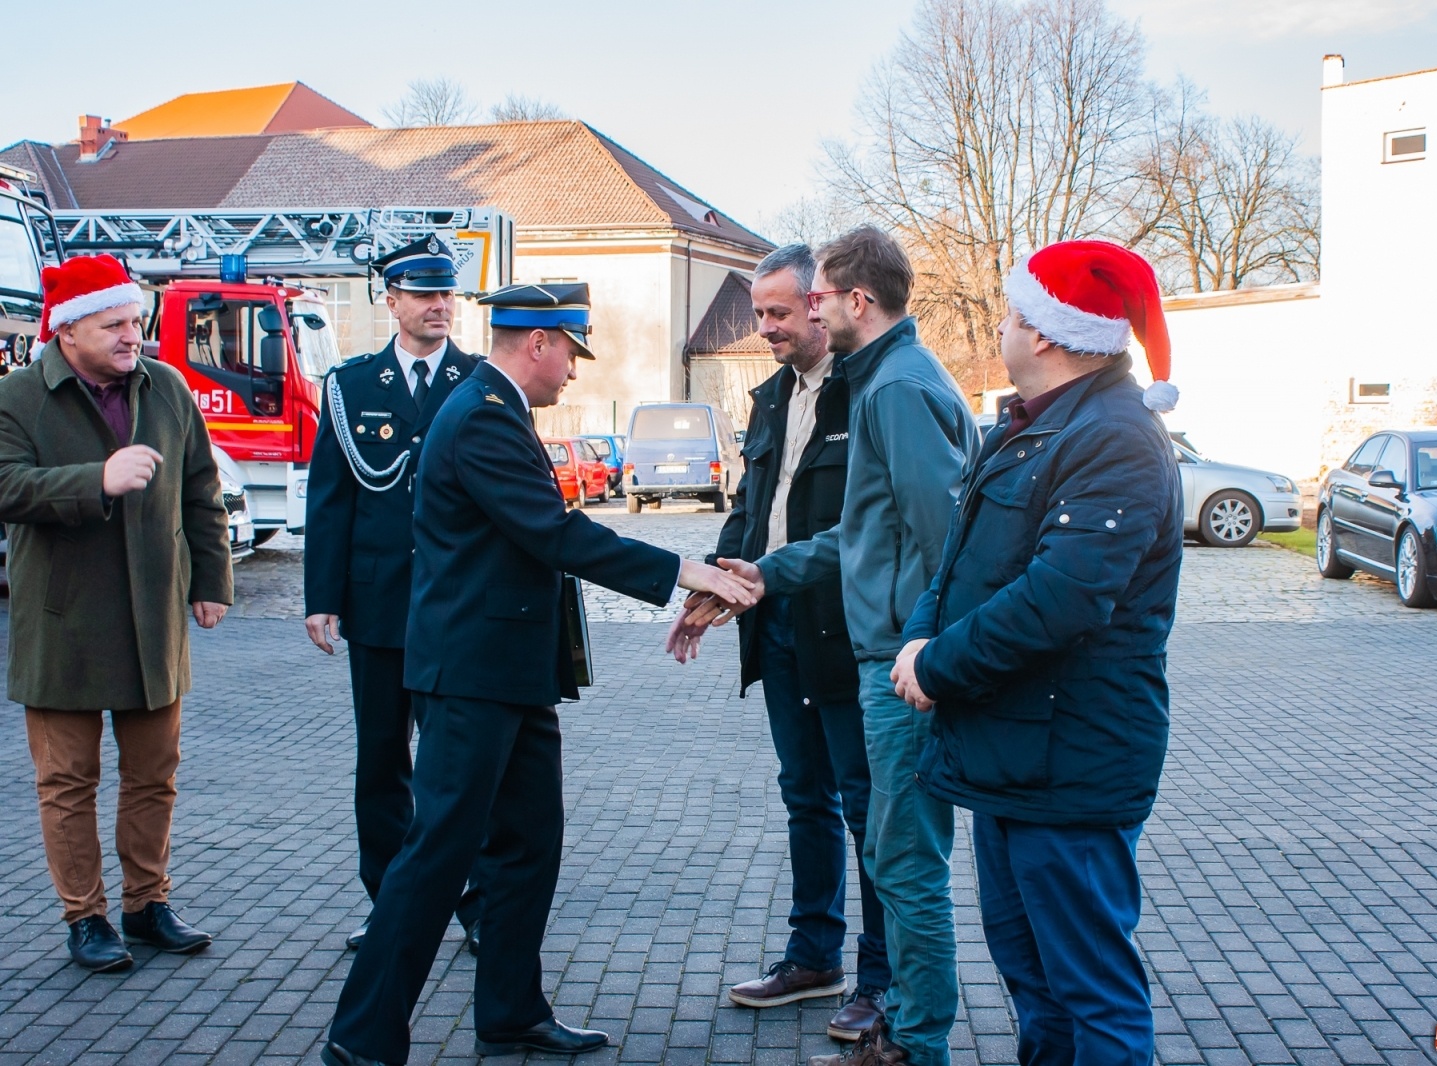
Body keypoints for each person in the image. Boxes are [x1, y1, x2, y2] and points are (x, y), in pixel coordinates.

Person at [320, 282, 758, 1066]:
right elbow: (554, 534)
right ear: (539, 344)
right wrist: (686, 569)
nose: (574, 374)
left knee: (527, 845)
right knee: (436, 857)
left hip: (510, 678)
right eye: (570, 354)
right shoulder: (483, 418)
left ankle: (510, 1011)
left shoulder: (491, 410)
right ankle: (362, 1037)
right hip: (471, 679)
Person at [892, 240, 1183, 1065]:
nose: (1002, 326)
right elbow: (963, 563)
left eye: (1014, 313)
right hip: (1015, 758)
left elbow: (1062, 597)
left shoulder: (1115, 438)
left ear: (1048, 334)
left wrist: (938, 664)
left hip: (1072, 765)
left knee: (1090, 992)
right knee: (1035, 983)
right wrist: (922, 633)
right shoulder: (1029, 427)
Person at [694, 227, 979, 1066]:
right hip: (859, 643)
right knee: (870, 836)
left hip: (892, 662)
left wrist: (926, 648)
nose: (799, 314)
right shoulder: (872, 381)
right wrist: (762, 573)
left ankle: (908, 1037)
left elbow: (945, 541)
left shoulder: (890, 391)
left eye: (810, 299)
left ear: (855, 301)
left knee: (900, 859)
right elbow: (861, 532)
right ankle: (893, 1028)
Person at [667, 244, 890, 1041]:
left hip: (848, 631)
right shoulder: (769, 400)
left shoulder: (868, 396)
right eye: (759, 313)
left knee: (867, 809)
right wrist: (710, 587)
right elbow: (750, 511)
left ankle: (880, 978)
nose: (765, 327)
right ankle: (813, 956)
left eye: (779, 313)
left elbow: (871, 530)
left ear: (822, 306)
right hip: (780, 629)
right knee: (806, 798)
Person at [0, 254, 232, 972]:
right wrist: (95, 480)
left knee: (154, 774)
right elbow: (6, 486)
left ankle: (146, 903)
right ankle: (86, 917)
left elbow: (202, 487)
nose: (134, 335)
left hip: (152, 619)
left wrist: (213, 578)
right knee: (68, 783)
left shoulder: (165, 387)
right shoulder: (17, 396)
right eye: (115, 324)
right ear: (67, 333)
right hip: (63, 622)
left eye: (135, 320)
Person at [303, 237, 488, 952]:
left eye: (447, 294)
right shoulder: (351, 386)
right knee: (381, 758)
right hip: (379, 606)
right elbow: (331, 499)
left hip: (455, 607)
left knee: (459, 761)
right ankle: (389, 902)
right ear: (392, 300)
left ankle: (472, 902)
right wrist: (322, 596)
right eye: (423, 294)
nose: (439, 305)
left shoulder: (480, 380)